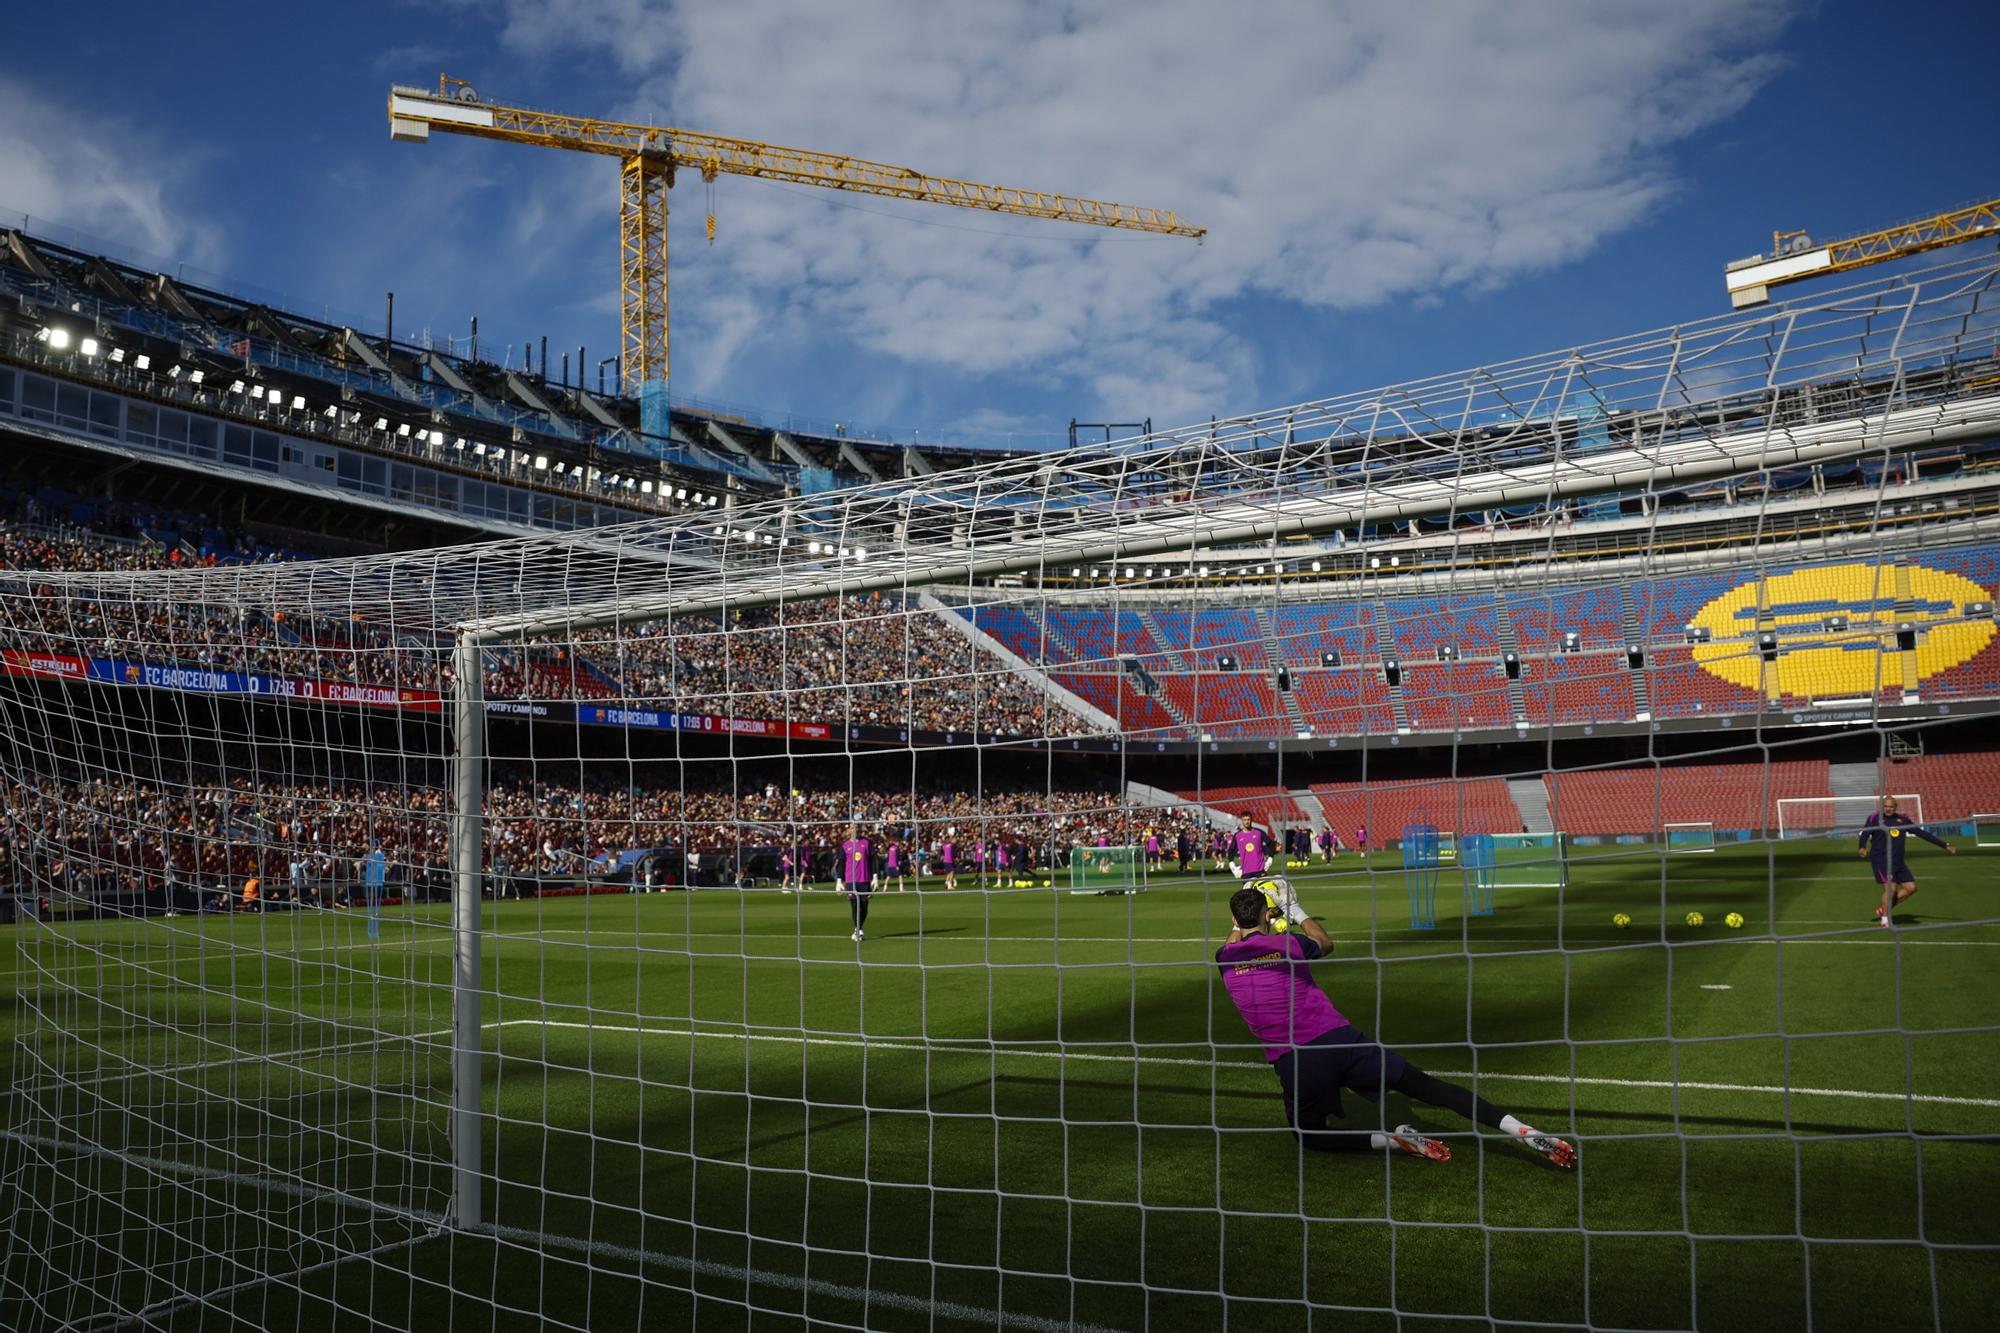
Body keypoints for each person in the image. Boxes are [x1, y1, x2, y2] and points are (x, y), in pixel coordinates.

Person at [1217, 880, 1575, 1166]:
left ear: (1235, 919)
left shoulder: (1225, 959)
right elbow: (1324, 943)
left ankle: (1393, 1140)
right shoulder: (1289, 945)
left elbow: (1233, 942)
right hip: (1342, 1040)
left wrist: (1240, 921)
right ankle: (1519, 1129)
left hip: (1296, 1060)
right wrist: (1295, 909)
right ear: (1267, 916)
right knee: (1426, 1087)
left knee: (1309, 1136)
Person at [1858, 795, 1954, 927]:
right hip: (1881, 859)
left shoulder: (1902, 820)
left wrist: (1944, 845)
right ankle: (1885, 920)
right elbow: (1865, 833)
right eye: (1886, 806)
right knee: (1891, 889)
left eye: (1891, 806)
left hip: (1898, 860)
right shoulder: (1874, 818)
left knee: (1911, 888)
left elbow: (1921, 833)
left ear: (1895, 807)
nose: (1888, 809)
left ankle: (1884, 909)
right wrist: (1862, 847)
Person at [840, 824, 873, 941]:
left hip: (864, 879)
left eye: (856, 827)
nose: (855, 830)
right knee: (854, 906)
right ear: (849, 830)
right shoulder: (845, 845)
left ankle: (857, 929)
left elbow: (872, 859)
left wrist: (875, 876)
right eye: (852, 828)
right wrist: (839, 880)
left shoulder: (867, 843)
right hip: (851, 881)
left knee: (864, 907)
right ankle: (859, 929)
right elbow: (841, 863)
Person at [1230, 811, 1268, 882]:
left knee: (1263, 889)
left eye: (1248, 819)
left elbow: (1270, 844)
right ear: (1242, 821)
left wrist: (1269, 860)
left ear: (1251, 820)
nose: (1246, 822)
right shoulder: (1237, 835)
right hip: (1246, 871)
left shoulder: (1259, 832)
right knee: (1247, 889)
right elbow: (1231, 850)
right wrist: (1232, 866)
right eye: (1244, 820)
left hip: (1259, 870)